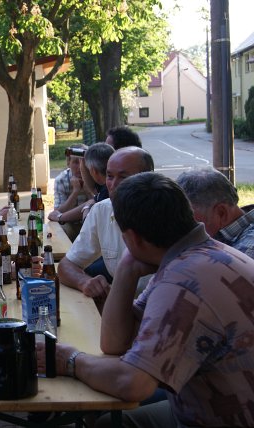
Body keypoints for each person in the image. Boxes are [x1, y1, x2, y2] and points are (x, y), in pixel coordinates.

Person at [37, 172, 254, 427]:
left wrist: (70, 361)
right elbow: (115, 343)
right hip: (197, 408)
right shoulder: (199, 254)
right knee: (106, 422)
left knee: (106, 423)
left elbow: (134, 384)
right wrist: (127, 267)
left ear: (133, 237)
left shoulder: (184, 282)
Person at [57, 147, 154, 309]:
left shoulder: (165, 212)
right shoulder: (102, 210)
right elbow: (66, 266)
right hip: (124, 311)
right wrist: (85, 282)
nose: (113, 185)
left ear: (148, 178)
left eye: (123, 177)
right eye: (109, 176)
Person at [177, 167, 254, 258]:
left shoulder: (246, 251)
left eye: (190, 221)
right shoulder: (221, 235)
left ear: (222, 213)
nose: (182, 229)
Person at [48, 143, 93, 241]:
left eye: (84, 162)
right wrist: (75, 192)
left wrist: (88, 191)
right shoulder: (61, 180)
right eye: (76, 162)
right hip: (68, 222)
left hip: (89, 222)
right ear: (68, 163)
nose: (81, 167)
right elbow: (58, 212)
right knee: (59, 231)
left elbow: (99, 205)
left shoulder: (94, 177)